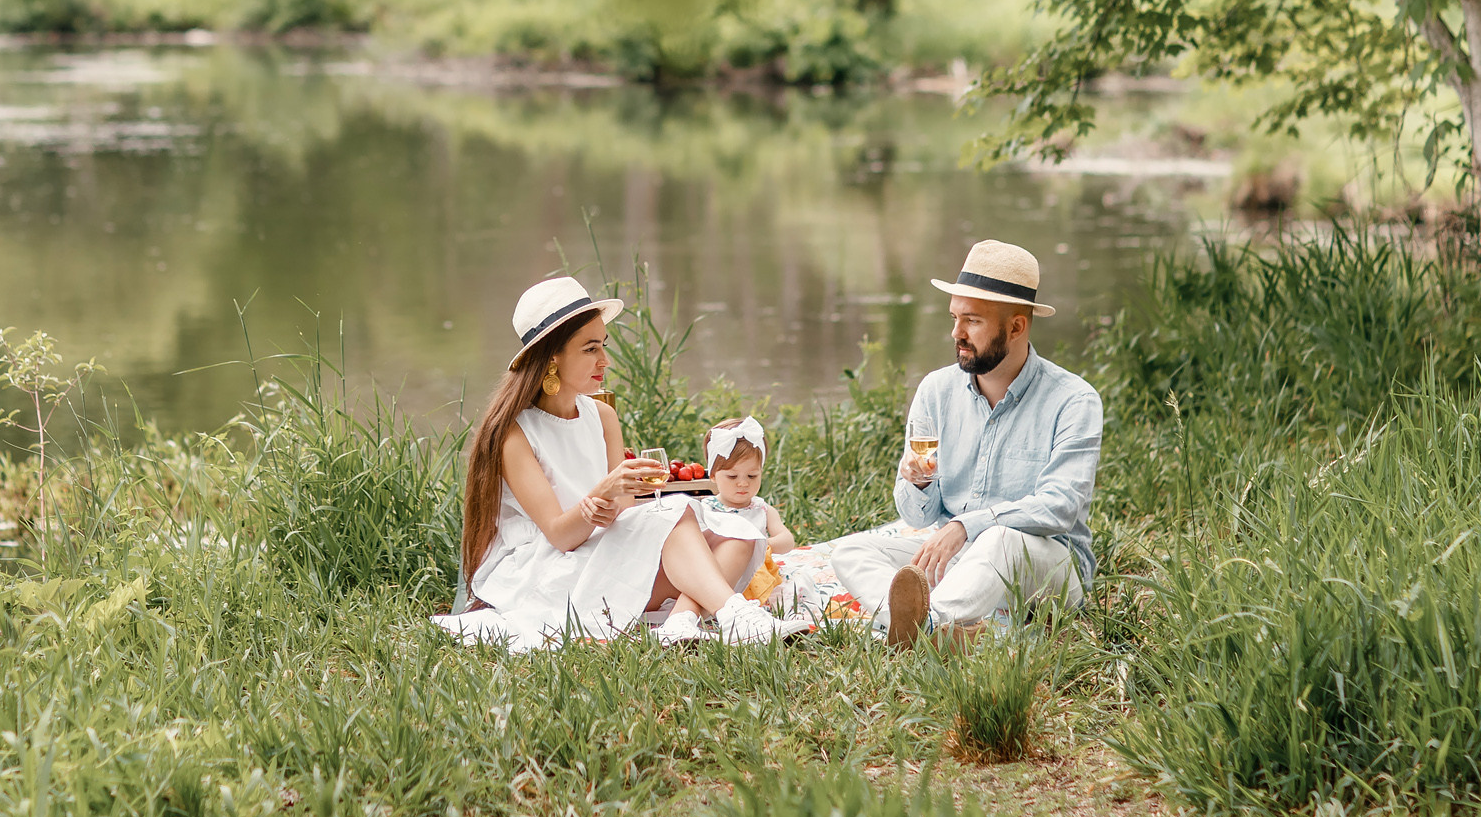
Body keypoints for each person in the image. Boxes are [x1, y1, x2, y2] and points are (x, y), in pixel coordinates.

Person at [433, 275, 781, 651]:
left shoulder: (602, 416)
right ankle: (734, 614)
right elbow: (561, 536)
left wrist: (624, 497)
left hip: (599, 547)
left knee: (737, 535)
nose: (605, 361)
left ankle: (682, 622)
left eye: (603, 346)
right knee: (680, 516)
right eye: (589, 349)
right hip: (545, 569)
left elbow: (627, 512)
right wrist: (604, 493)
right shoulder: (515, 434)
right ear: (552, 358)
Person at [824, 240, 1102, 648]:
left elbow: (1058, 507)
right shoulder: (936, 391)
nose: (956, 333)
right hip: (961, 566)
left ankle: (924, 625)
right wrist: (919, 484)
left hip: (1046, 568)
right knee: (851, 552)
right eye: (954, 318)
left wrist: (964, 525)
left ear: (1016, 327)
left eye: (971, 320)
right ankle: (936, 630)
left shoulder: (1073, 400)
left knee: (1000, 539)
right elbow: (919, 517)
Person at [691, 415, 796, 593]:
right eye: (732, 476)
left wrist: (761, 546)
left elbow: (787, 540)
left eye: (752, 476)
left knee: (793, 586)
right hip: (723, 574)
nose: (743, 483)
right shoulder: (706, 509)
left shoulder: (761, 509)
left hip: (758, 575)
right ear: (714, 476)